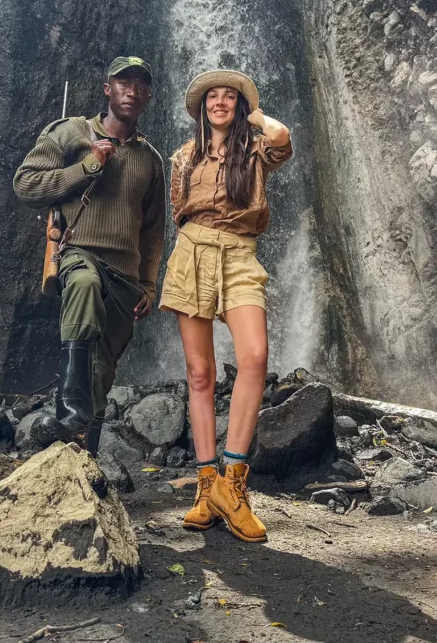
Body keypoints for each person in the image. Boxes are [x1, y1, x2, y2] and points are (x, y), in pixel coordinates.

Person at [159, 69, 292, 543]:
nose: (219, 103)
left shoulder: (255, 150)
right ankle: (206, 487)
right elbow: (179, 213)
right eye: (211, 97)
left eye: (228, 97)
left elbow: (280, 136)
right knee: (200, 374)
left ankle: (234, 485)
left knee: (254, 357)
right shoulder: (183, 157)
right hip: (193, 252)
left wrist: (254, 113)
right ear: (201, 108)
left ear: (238, 106)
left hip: (239, 254)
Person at [13, 57, 165, 454]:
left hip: (126, 278)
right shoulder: (70, 133)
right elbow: (26, 185)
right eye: (123, 82)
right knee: (82, 283)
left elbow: (153, 231)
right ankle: (70, 414)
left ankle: (83, 455)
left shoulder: (151, 160)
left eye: (140, 85)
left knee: (101, 372)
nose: (131, 90)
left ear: (147, 95)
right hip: (80, 254)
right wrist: (87, 166)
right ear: (107, 89)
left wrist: (149, 283)